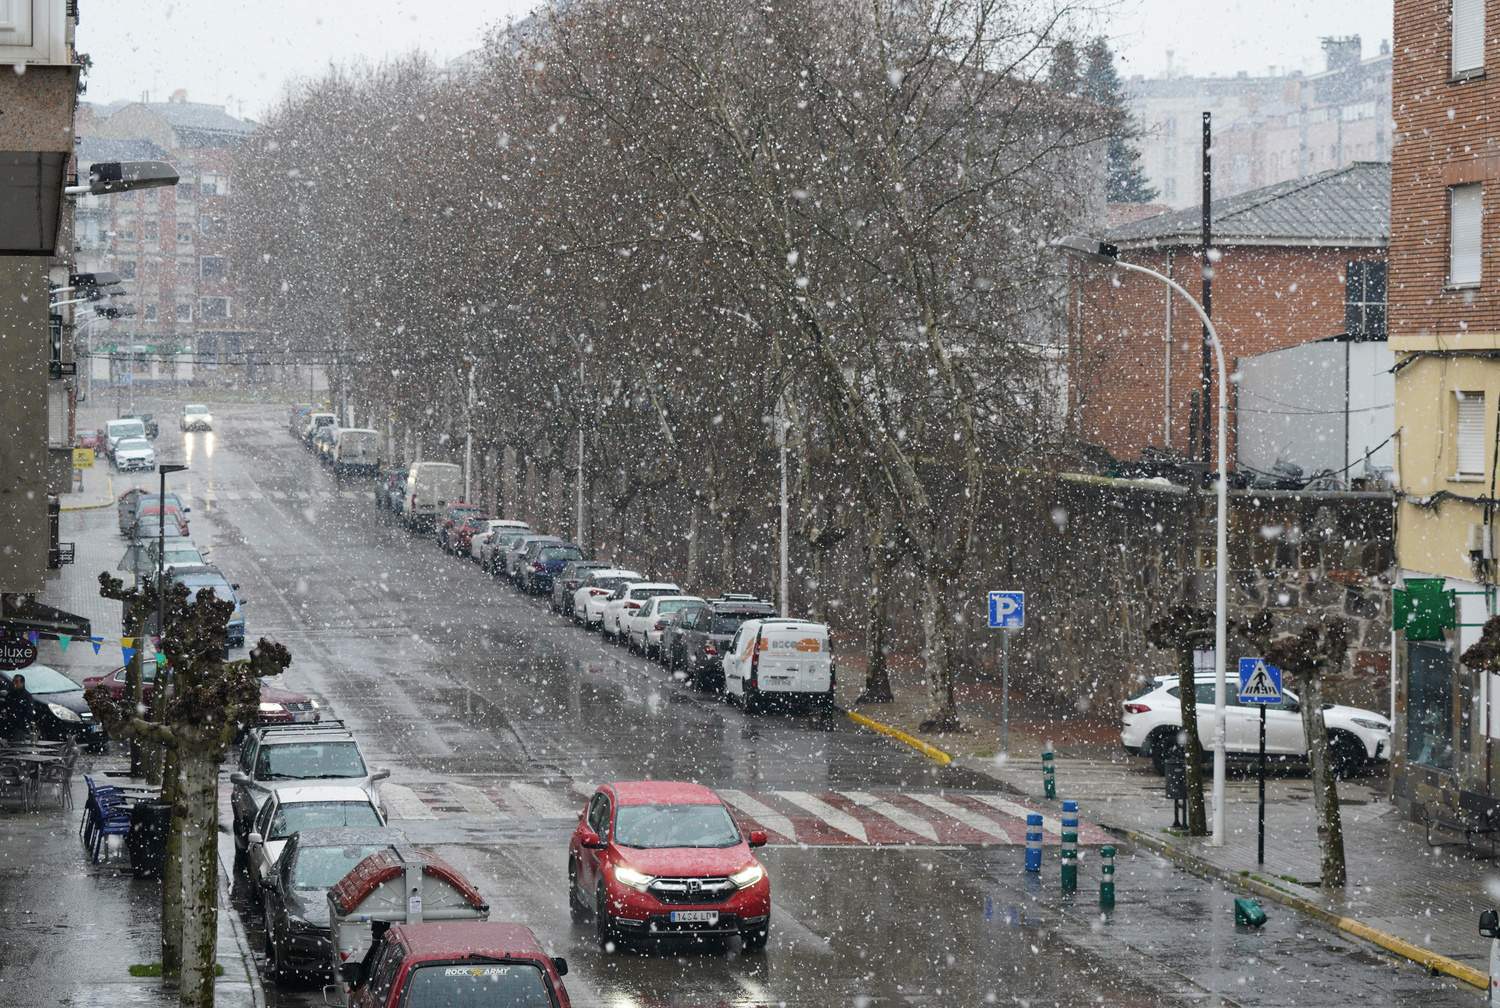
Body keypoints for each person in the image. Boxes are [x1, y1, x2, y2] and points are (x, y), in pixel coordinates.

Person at [0, 674, 34, 741]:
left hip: (19, 728)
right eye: (13, 681)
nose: (14, 683)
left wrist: (21, 725)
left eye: (16, 682)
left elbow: (29, 713)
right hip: (9, 726)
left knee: (17, 744)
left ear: (22, 683)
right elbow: (6, 706)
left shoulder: (27, 696)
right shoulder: (11, 694)